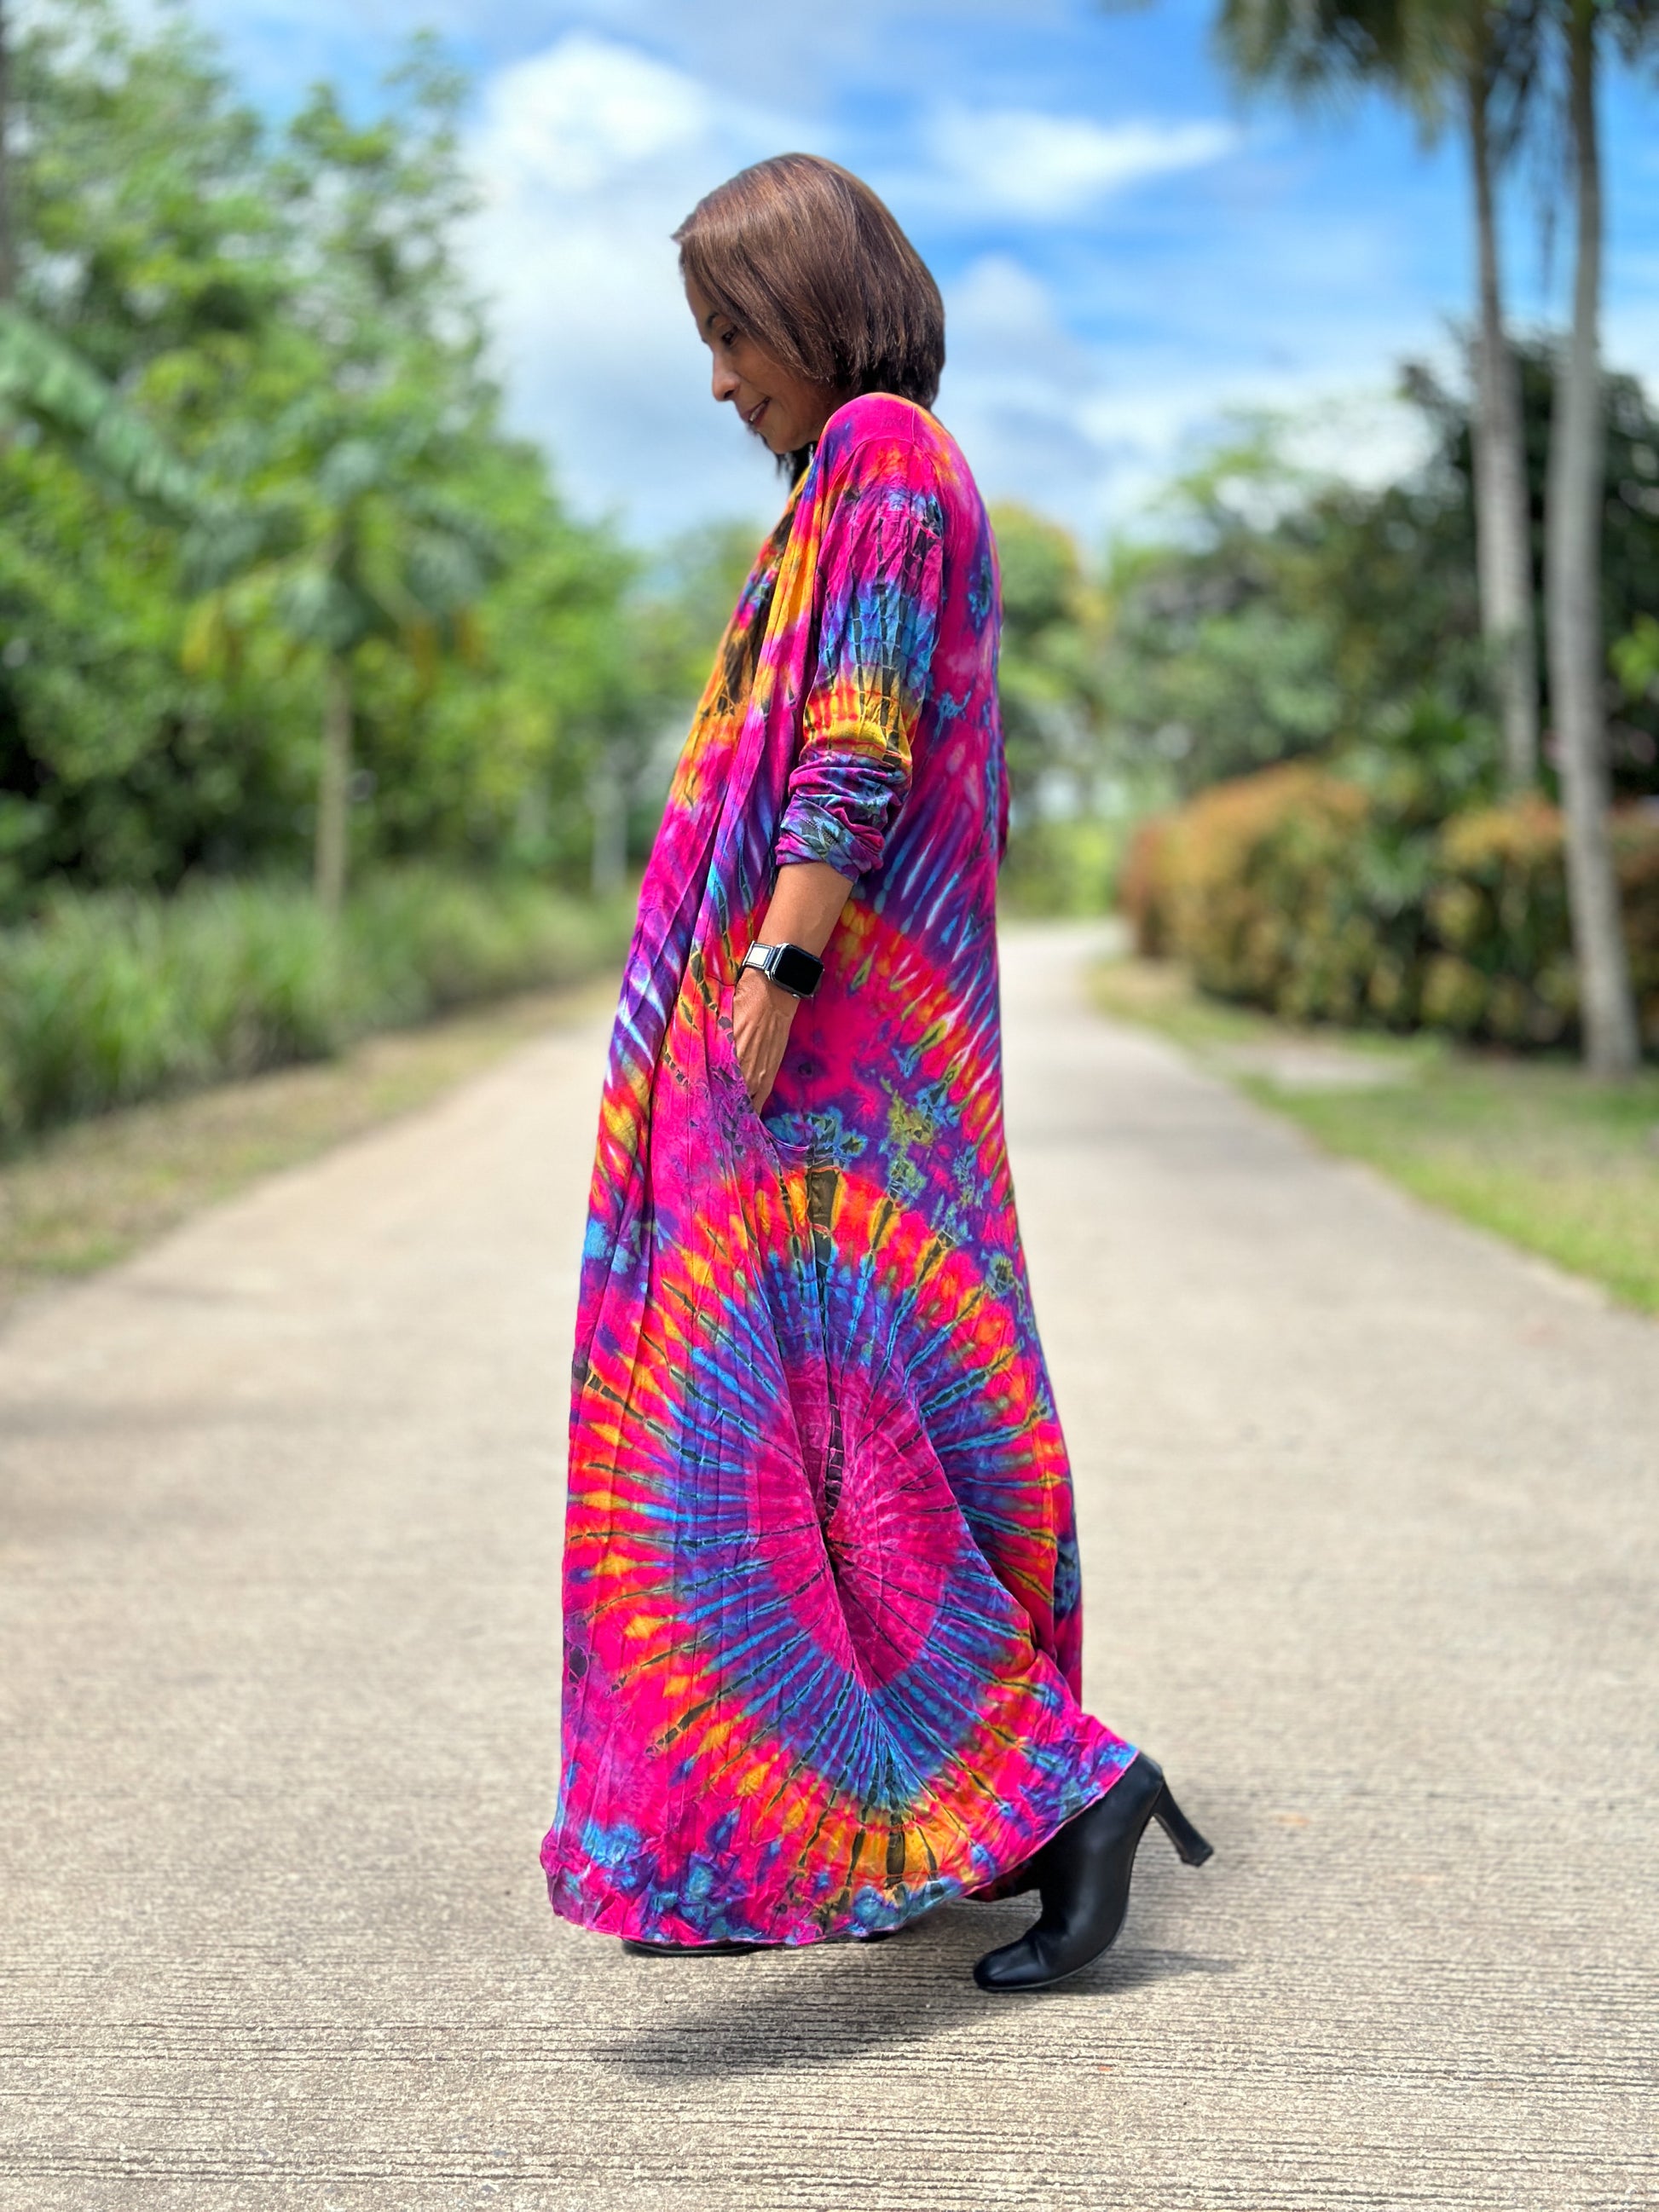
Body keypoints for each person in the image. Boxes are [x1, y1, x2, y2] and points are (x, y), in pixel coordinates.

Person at [540, 153, 1211, 1994]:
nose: (715, 379)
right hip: (823, 1059)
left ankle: (1061, 1791)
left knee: (801, 1459)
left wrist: (770, 963)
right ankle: (988, 1803)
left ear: (814, 306)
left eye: (730, 332)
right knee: (843, 1448)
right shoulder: (856, 472)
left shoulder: (888, 459)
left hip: (830, 1065)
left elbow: (862, 725)